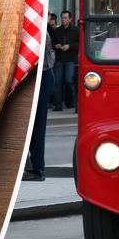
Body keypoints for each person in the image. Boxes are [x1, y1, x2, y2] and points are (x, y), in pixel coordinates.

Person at [23, 36, 54, 182]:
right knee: (31, 124)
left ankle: (37, 170)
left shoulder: (42, 31)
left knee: (37, 125)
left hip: (42, 76)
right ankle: (32, 167)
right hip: (39, 76)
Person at [55, 10, 79, 108]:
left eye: (65, 18)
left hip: (70, 59)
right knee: (58, 82)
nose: (63, 20)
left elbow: (79, 44)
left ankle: (70, 102)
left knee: (69, 80)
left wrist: (69, 46)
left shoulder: (76, 30)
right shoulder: (57, 31)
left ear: (70, 19)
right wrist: (56, 45)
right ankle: (58, 104)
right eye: (62, 18)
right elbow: (52, 43)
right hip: (60, 58)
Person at [45, 13, 63, 110]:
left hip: (48, 65)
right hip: (46, 67)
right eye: (48, 16)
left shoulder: (48, 30)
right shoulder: (46, 29)